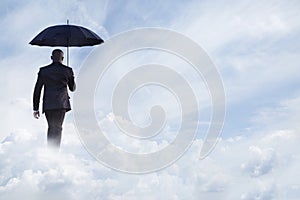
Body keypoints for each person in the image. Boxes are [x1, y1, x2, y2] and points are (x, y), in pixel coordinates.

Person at [33, 49, 76, 148]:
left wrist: (36, 108)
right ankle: (54, 153)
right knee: (58, 127)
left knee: (51, 127)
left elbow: (37, 89)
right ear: (63, 58)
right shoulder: (67, 70)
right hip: (61, 104)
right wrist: (71, 77)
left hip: (48, 104)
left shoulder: (44, 71)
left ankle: (50, 151)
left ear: (51, 58)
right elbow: (72, 88)